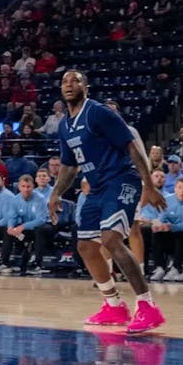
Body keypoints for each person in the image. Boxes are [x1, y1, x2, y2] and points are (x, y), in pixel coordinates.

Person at [48, 71, 166, 334]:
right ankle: (114, 305)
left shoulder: (98, 112)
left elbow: (132, 147)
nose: (69, 85)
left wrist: (149, 184)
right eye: (65, 82)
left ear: (85, 87)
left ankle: (147, 307)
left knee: (111, 239)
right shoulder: (65, 125)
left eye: (75, 81)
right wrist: (55, 193)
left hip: (122, 178)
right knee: (86, 246)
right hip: (97, 186)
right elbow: (68, 165)